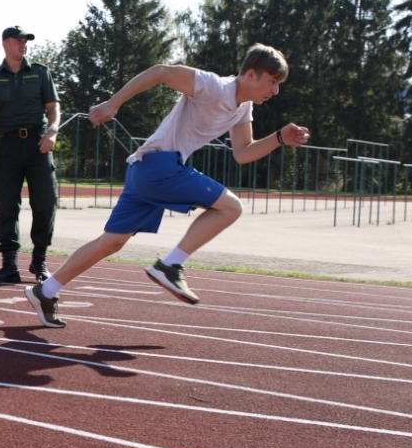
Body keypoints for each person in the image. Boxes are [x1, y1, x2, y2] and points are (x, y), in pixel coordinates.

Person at [25, 44, 309, 328]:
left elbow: (243, 152)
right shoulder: (213, 86)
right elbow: (162, 72)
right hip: (160, 167)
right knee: (231, 207)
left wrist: (279, 138)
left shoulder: (243, 108)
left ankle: (45, 290)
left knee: (111, 242)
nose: (275, 90)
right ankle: (171, 265)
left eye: (278, 84)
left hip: (145, 170)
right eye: (272, 82)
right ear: (251, 75)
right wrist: (114, 102)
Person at [0, 26, 59, 284]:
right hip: (7, 146)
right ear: (6, 44)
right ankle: (9, 266)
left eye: (26, 41)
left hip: (38, 144)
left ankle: (40, 261)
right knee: (7, 205)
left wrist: (52, 131)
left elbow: (54, 108)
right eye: (18, 41)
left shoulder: (41, 73)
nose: (24, 45)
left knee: (45, 202)